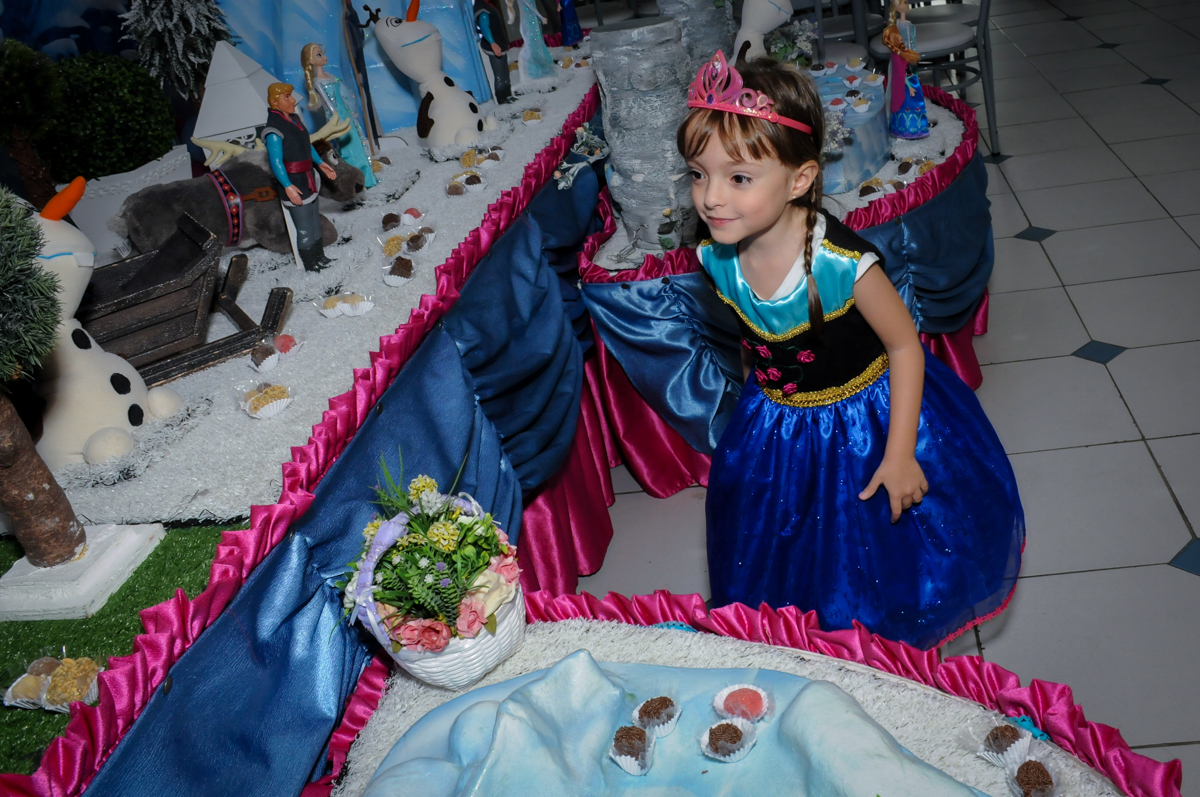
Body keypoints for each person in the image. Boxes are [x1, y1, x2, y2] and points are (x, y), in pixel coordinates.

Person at [678, 52, 1022, 650]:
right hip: (776, 424)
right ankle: (810, 650)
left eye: (738, 178)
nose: (710, 198)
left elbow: (904, 347)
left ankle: (877, 653)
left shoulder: (843, 265)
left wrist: (899, 455)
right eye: (697, 174)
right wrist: (755, 412)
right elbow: (750, 338)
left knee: (865, 552)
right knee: (784, 549)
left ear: (801, 179)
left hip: (865, 420)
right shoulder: (714, 256)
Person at [263, 82, 338, 271]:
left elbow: (307, 146)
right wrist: (287, 185)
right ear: (275, 102)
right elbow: (276, 162)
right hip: (294, 183)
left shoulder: (295, 120)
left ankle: (320, 258)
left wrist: (320, 164)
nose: (293, 100)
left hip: (308, 178)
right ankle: (311, 265)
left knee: (314, 223)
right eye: (286, 97)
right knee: (304, 228)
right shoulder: (273, 130)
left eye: (290, 95)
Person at [301, 43, 378, 188]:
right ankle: (357, 180)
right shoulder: (317, 81)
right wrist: (337, 117)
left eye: (323, 54)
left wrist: (350, 111)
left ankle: (368, 176)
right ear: (310, 61)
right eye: (319, 55)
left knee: (359, 142)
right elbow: (327, 102)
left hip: (346, 113)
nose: (324, 57)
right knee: (348, 147)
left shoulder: (331, 76)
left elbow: (343, 94)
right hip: (336, 116)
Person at [882, 0, 930, 139]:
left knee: (914, 104)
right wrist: (909, 86)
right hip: (908, 84)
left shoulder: (901, 54)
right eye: (903, 2)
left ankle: (916, 128)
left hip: (910, 80)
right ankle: (909, 130)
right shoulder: (897, 57)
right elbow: (900, 74)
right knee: (909, 105)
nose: (907, 3)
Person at [474, 0, 514, 104]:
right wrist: (492, 43)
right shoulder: (482, 7)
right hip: (494, 45)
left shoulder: (488, 5)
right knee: (499, 75)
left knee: (505, 72)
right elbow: (484, 27)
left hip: (500, 43)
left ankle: (508, 95)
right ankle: (502, 100)